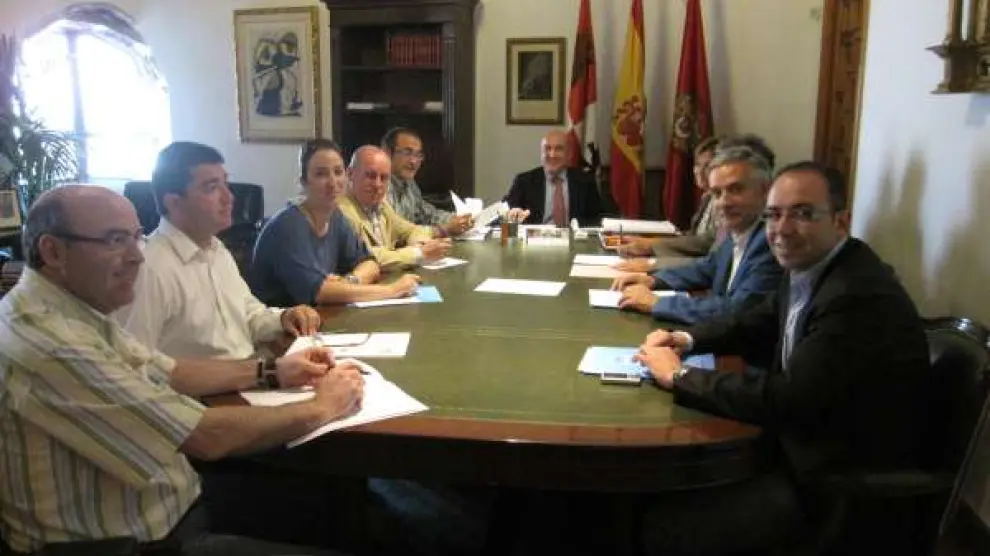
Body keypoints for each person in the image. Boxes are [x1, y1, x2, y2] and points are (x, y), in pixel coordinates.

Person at [0, 185, 363, 555]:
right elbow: (205, 436)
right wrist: (323, 406)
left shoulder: (69, 310)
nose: (136, 256)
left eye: (136, 237)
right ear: (53, 252)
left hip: (180, 504)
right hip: (139, 544)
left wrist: (272, 371)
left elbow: (168, 370)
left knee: (347, 504)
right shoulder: (50, 343)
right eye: (115, 240)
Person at [633, 162, 932, 554]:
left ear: (841, 222)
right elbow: (754, 321)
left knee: (659, 527)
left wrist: (680, 376)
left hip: (829, 478)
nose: (782, 229)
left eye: (803, 213)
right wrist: (685, 339)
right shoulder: (811, 265)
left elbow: (788, 399)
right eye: (774, 215)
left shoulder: (855, 295)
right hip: (795, 449)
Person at [117, 141, 321, 361]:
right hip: (220, 382)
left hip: (252, 371)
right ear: (174, 203)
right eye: (211, 187)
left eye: (225, 183)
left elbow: (248, 315)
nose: (229, 197)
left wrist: (283, 318)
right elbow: (134, 364)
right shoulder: (149, 268)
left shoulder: (217, 249)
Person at [609, 146, 782, 325]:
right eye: (717, 193)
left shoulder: (772, 241)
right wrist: (654, 279)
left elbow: (737, 311)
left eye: (736, 189)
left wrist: (657, 303)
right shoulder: (740, 231)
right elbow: (707, 268)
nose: (724, 202)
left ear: (766, 191)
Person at [252, 139, 420, 307]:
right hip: (283, 321)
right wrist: (393, 290)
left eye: (338, 172)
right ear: (304, 182)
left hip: (321, 316)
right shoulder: (288, 226)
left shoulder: (335, 217)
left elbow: (370, 263)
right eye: (321, 174)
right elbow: (320, 293)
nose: (333, 183)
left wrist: (348, 282)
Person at [614, 135, 721, 272]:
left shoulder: (723, 203)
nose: (698, 171)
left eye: (707, 166)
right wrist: (649, 245)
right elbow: (692, 238)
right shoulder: (707, 197)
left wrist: (651, 249)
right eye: (697, 165)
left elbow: (706, 244)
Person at [337, 146, 452, 270]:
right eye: (370, 176)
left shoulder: (381, 205)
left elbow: (412, 230)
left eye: (384, 178)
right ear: (350, 174)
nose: (377, 184)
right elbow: (365, 256)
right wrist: (419, 253)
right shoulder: (340, 210)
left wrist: (420, 245)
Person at [382, 127, 473, 237]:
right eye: (407, 153)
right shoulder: (379, 185)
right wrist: (443, 230)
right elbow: (395, 232)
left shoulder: (409, 183)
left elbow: (426, 214)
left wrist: (459, 219)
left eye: (418, 155)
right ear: (387, 153)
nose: (413, 161)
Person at [503, 129, 603, 227]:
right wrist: (511, 213)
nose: (552, 155)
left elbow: (598, 218)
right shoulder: (524, 181)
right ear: (541, 153)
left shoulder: (585, 181)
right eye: (547, 148)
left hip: (572, 236)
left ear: (569, 154)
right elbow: (504, 210)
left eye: (559, 149)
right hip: (536, 237)